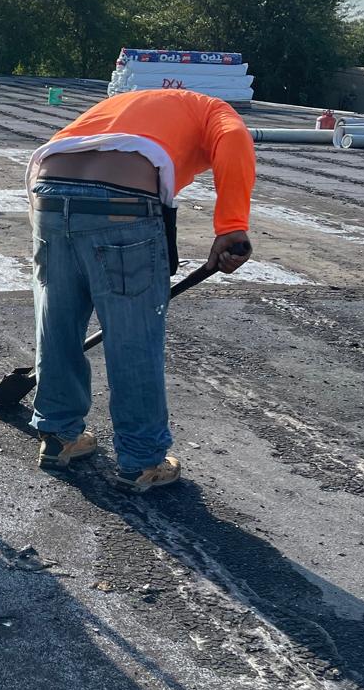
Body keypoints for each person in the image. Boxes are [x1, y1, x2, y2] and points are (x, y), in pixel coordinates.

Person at [26, 87, 255, 490]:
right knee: (133, 337)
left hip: (49, 193)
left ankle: (58, 436)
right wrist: (232, 227)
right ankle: (142, 460)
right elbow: (234, 140)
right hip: (122, 206)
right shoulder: (214, 111)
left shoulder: (131, 104)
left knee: (57, 322)